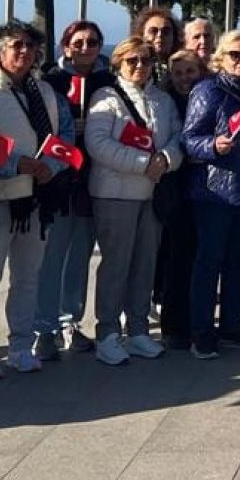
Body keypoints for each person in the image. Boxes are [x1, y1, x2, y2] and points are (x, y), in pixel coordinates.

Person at [0, 20, 74, 381]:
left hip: (37, 198)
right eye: (16, 45)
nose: (23, 52)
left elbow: (66, 135)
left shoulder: (46, 93)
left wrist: (51, 166)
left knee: (28, 277)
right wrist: (15, 164)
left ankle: (21, 346)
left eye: (30, 47)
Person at [85, 37, 183, 364]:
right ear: (119, 64)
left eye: (145, 60)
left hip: (151, 194)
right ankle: (108, 333)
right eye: (132, 61)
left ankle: (138, 329)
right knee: (116, 264)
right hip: (116, 193)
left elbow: (176, 138)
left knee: (145, 263)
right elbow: (97, 144)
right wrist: (145, 164)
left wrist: (166, 159)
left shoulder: (163, 101)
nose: (140, 66)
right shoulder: (106, 98)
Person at [181, 32, 240, 359]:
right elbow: (189, 139)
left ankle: (232, 326)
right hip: (215, 193)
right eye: (236, 54)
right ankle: (202, 331)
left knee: (239, 264)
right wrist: (213, 146)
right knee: (209, 263)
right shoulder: (208, 90)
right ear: (221, 55)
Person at [35, 20, 110, 360]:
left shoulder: (108, 82)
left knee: (80, 255)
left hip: (93, 180)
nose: (85, 48)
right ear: (65, 46)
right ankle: (43, 328)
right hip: (59, 181)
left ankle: (70, 322)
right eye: (77, 42)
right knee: (52, 257)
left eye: (92, 42)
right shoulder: (50, 82)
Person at [154, 45, 204, 347]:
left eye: (190, 71)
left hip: (202, 187)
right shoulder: (167, 102)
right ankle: (174, 326)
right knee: (177, 256)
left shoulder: (207, 96)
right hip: (175, 187)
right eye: (178, 73)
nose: (185, 78)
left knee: (196, 256)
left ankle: (194, 318)